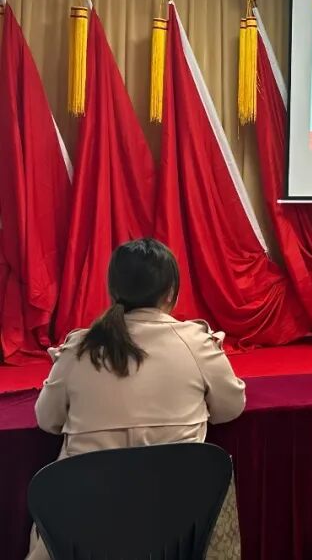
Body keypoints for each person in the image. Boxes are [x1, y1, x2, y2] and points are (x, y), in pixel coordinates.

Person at [28, 239, 246, 560]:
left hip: (86, 526)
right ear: (170, 292)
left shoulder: (79, 348)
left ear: (113, 290)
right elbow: (230, 408)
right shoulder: (197, 344)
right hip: (176, 524)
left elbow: (47, 420)